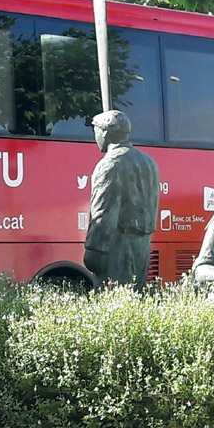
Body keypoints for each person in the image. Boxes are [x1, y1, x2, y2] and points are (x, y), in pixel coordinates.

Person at [84, 110, 159, 292]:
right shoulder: (148, 161)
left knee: (112, 304)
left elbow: (103, 213)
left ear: (104, 133)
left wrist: (94, 250)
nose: (95, 137)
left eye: (96, 131)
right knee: (135, 302)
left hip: (117, 247)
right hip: (142, 245)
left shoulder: (110, 164)